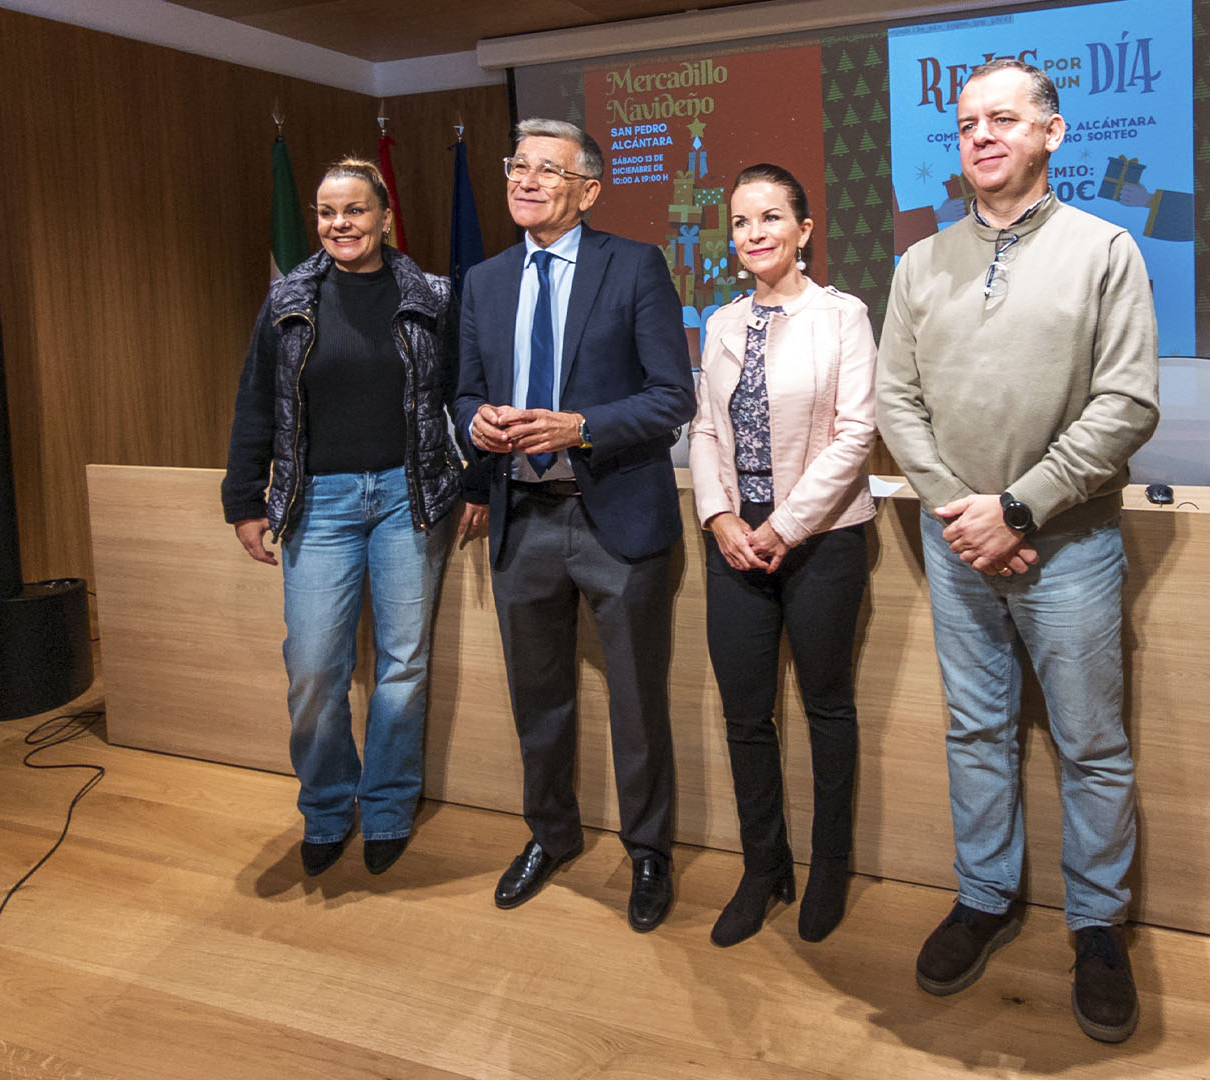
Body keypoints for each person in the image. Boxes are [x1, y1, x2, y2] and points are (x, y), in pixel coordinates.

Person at [874, 59, 1160, 1043]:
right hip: (956, 544)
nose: (982, 135)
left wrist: (1021, 510)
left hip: (1068, 547)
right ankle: (986, 897)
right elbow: (895, 405)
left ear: (1052, 133)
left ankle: (1098, 927)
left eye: (1003, 118)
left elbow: (1126, 405)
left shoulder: (1106, 248)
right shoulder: (920, 264)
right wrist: (967, 513)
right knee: (975, 733)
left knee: (1091, 747)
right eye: (966, 123)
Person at [454, 119, 695, 933]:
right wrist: (475, 424)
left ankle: (648, 851)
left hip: (617, 519)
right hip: (522, 521)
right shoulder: (483, 280)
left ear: (588, 190)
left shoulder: (634, 267)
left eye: (546, 170)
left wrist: (579, 426)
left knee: (636, 701)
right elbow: (460, 395)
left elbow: (673, 397)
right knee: (540, 699)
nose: (524, 179)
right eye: (517, 164)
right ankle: (549, 835)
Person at [221, 157, 488, 878]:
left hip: (409, 498)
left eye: (355, 211)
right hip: (321, 504)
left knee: (402, 664)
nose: (341, 225)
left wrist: (479, 483)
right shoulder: (289, 300)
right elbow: (255, 404)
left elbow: (468, 394)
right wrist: (244, 498)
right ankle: (328, 806)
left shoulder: (432, 296)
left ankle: (390, 807)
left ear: (384, 216)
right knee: (313, 668)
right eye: (327, 213)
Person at [688, 164, 877, 947]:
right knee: (744, 716)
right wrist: (720, 517)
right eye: (740, 222)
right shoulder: (723, 322)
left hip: (824, 539)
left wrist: (784, 527)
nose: (754, 233)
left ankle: (829, 867)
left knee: (826, 708)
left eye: (771, 218)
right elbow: (704, 431)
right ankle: (765, 867)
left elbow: (856, 434)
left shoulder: (843, 315)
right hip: (735, 542)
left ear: (804, 230)